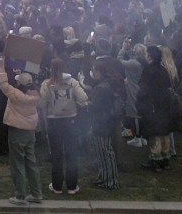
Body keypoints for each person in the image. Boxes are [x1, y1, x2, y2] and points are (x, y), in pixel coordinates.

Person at [38, 56, 88, 194]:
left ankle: (57, 186)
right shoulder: (72, 82)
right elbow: (83, 98)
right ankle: (72, 186)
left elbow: (41, 103)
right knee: (72, 153)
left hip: (53, 120)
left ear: (51, 69)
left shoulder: (47, 84)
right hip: (70, 120)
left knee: (56, 154)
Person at [0, 56, 42, 205]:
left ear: (20, 83)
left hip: (17, 130)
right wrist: (21, 70)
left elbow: (3, 84)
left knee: (17, 164)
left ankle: (20, 196)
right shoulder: (34, 94)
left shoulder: (17, 95)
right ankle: (36, 194)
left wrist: (2, 66)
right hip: (30, 131)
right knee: (31, 162)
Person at [137, 45, 175, 171]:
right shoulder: (163, 70)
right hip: (165, 106)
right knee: (164, 133)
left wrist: (141, 105)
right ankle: (166, 160)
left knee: (155, 134)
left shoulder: (148, 70)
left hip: (152, 106)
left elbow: (143, 90)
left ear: (150, 56)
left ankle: (156, 161)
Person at [88, 58, 121, 189]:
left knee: (105, 153)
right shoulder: (107, 84)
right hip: (105, 123)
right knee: (102, 153)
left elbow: (96, 106)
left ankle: (111, 181)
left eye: (93, 70)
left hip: (102, 124)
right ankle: (104, 178)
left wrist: (87, 104)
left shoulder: (101, 88)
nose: (92, 72)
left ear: (98, 71)